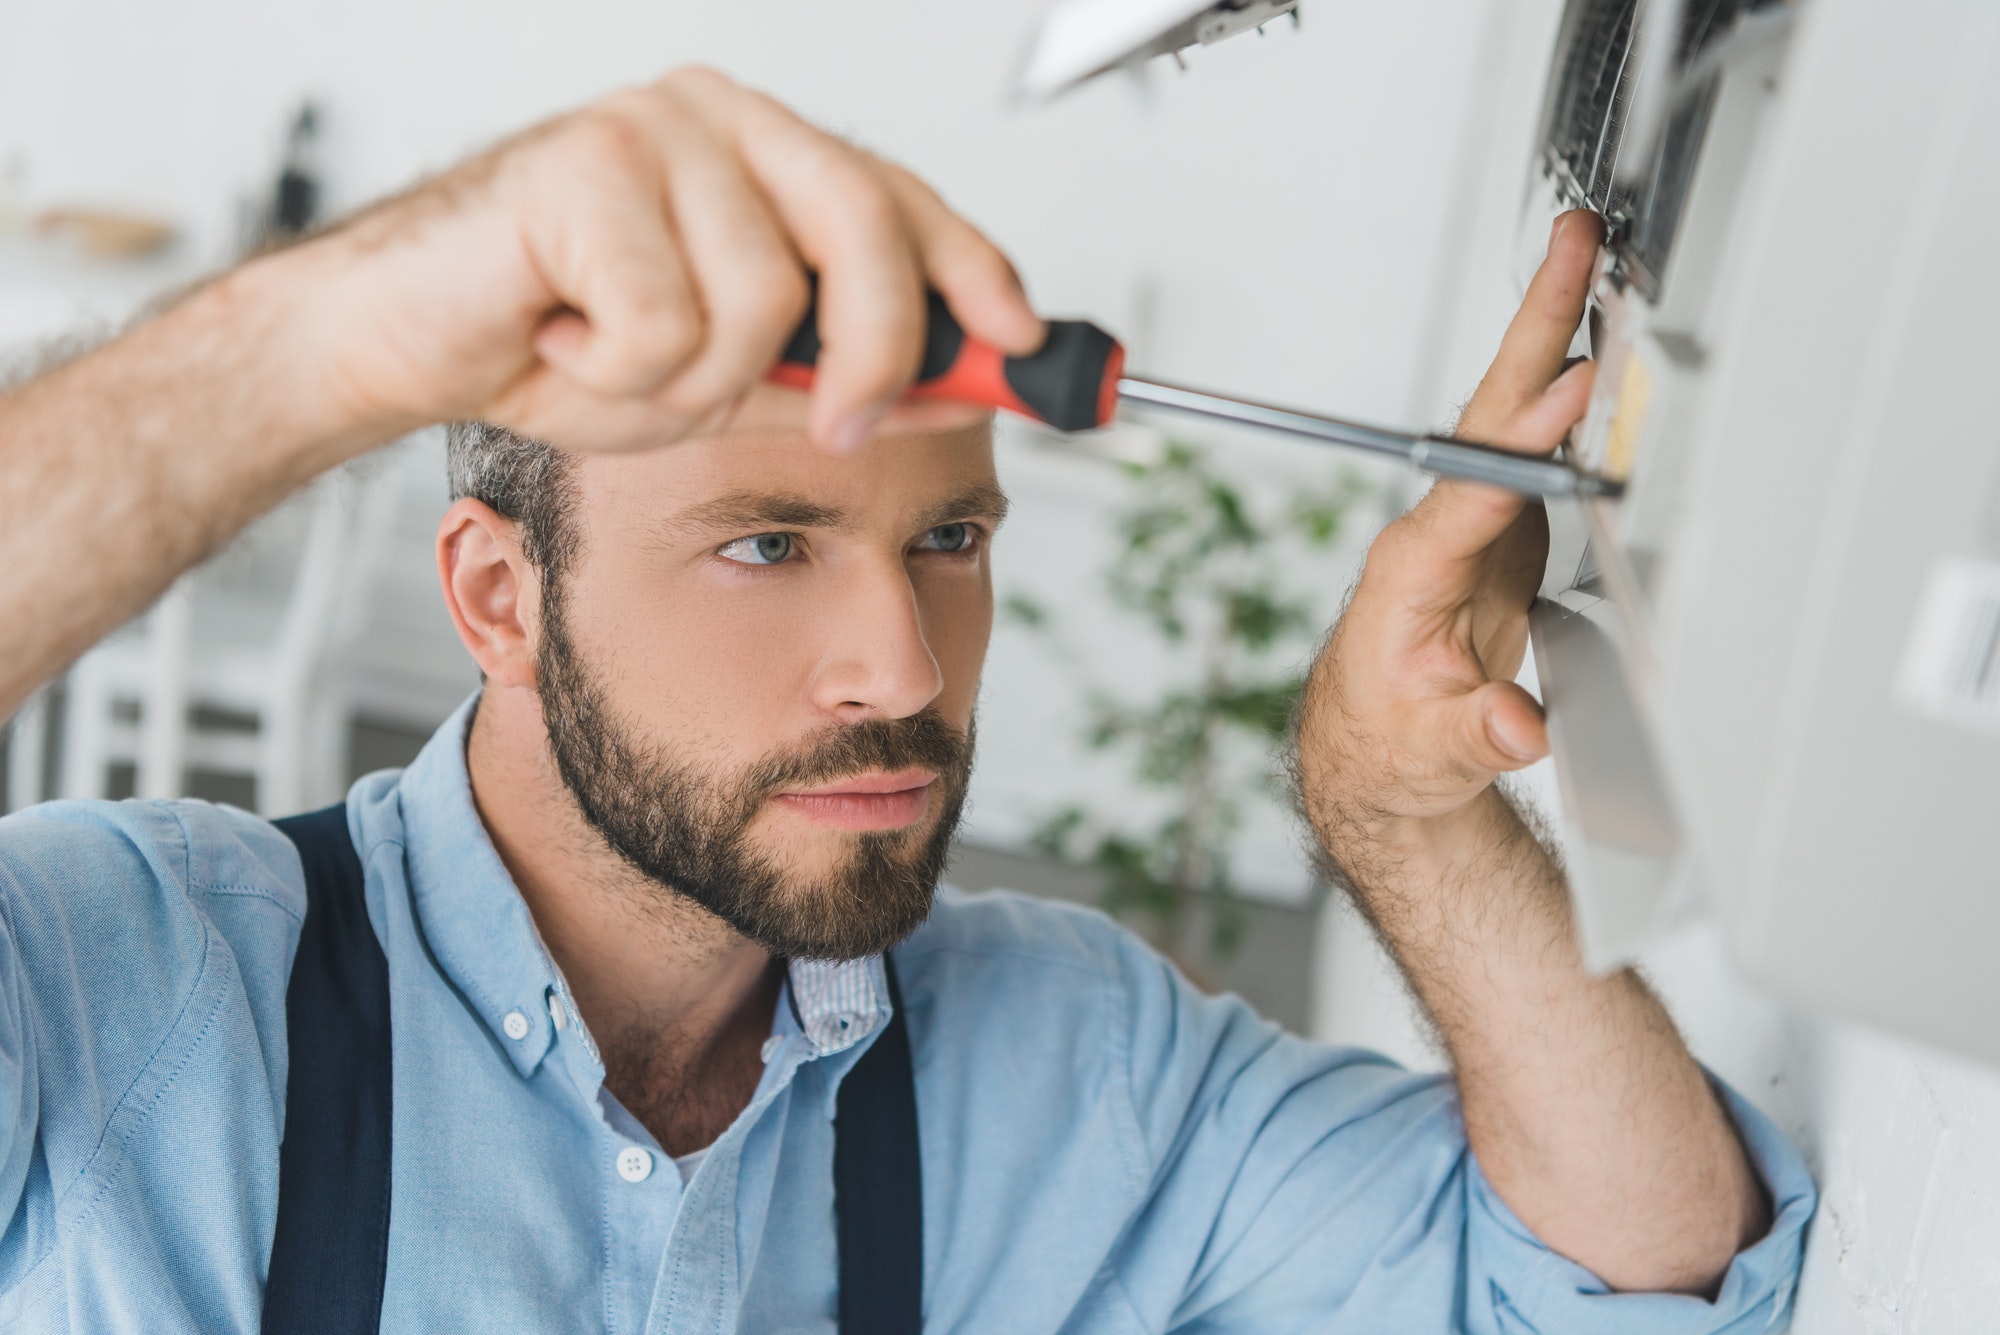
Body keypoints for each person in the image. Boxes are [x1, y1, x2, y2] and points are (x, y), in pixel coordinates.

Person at [0, 68, 1810, 1332]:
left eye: (949, 534)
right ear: (499, 597)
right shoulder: (130, 994)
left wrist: (1398, 808)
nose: (904, 669)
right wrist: (319, 345)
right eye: (768, 545)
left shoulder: (1064, 1064)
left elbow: (1637, 1273)